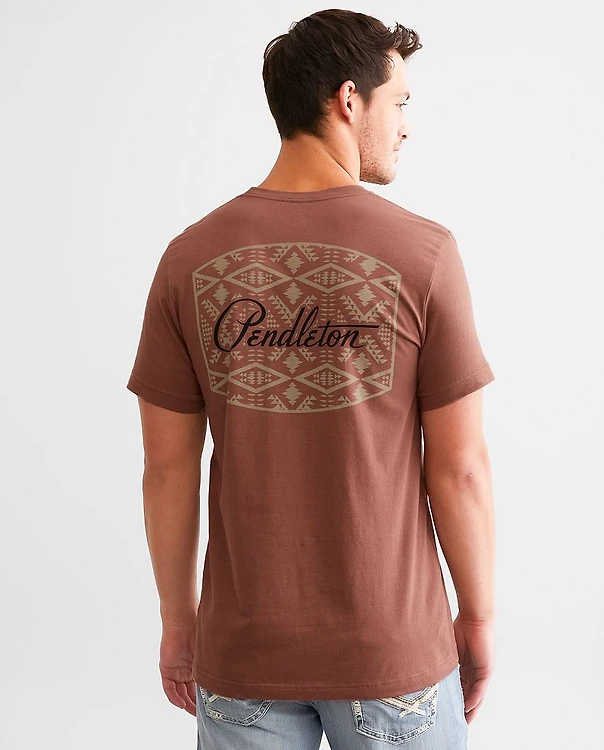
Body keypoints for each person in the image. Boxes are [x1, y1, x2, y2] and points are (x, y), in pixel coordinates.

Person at [126, 9, 496, 750]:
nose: (406, 127)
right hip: (391, 651)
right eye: (400, 102)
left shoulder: (188, 258)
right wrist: (478, 617)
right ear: (349, 100)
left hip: (243, 652)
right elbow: (459, 469)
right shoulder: (423, 253)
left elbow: (167, 469)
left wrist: (179, 622)